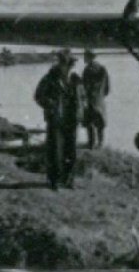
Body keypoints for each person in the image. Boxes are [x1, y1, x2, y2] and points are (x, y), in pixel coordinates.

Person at [33, 48, 82, 190]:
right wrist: (50, 104)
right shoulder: (49, 78)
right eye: (66, 63)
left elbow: (83, 98)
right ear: (60, 63)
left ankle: (69, 180)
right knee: (55, 151)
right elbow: (38, 96)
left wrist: (81, 112)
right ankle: (54, 181)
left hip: (72, 120)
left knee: (71, 151)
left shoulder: (76, 79)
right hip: (56, 119)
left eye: (71, 63)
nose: (68, 66)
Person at [80, 49, 110, 149]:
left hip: (90, 99)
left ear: (89, 57)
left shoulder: (87, 70)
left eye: (85, 56)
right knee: (100, 123)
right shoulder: (102, 68)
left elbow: (84, 86)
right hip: (100, 100)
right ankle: (100, 143)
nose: (84, 58)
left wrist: (84, 97)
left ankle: (91, 143)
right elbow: (107, 88)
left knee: (89, 122)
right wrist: (101, 96)